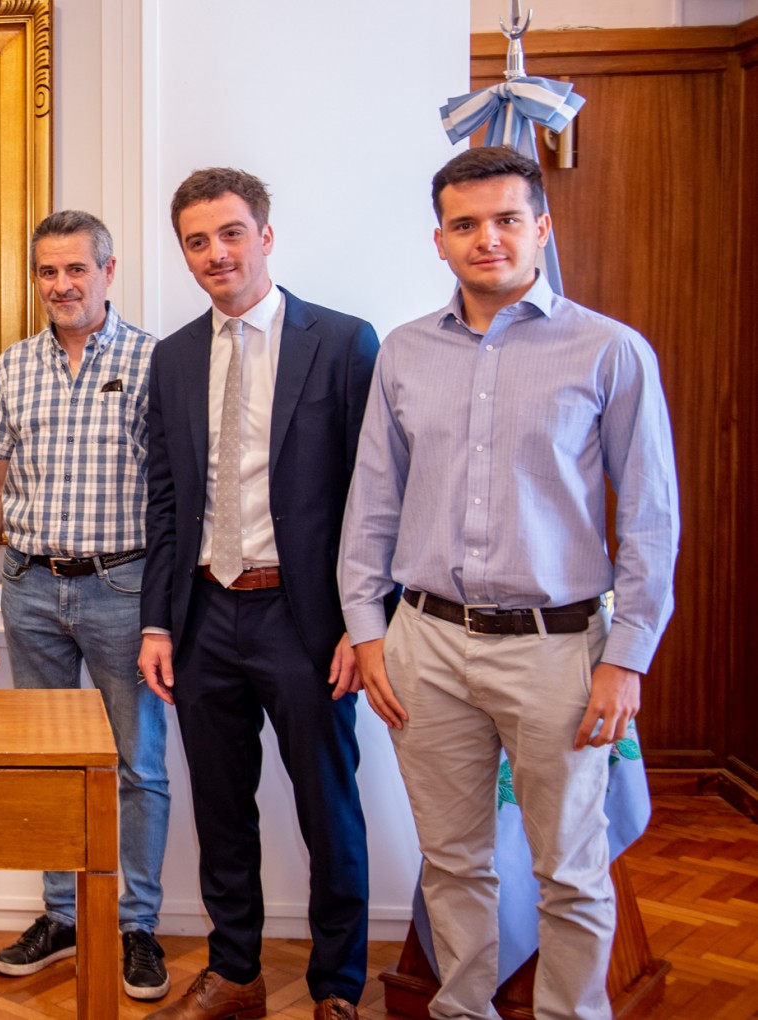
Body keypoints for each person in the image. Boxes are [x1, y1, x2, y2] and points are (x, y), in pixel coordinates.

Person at [340, 146, 679, 1020]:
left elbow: (649, 520)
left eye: (505, 220)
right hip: (426, 646)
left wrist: (628, 657)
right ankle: (463, 1009)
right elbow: (373, 500)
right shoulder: (407, 354)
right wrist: (369, 631)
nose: (486, 239)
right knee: (453, 861)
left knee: (570, 867)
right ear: (440, 240)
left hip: (560, 653)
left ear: (541, 227)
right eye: (465, 225)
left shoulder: (611, 351)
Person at [138, 168, 376, 1020]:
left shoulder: (344, 344)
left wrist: (363, 625)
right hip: (205, 617)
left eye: (231, 233)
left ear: (266, 236)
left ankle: (337, 986)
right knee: (221, 808)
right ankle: (235, 970)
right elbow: (166, 501)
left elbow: (368, 496)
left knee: (327, 807)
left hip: (305, 622)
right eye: (197, 241)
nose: (215, 254)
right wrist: (159, 622)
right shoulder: (171, 359)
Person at [0, 210, 173, 1002]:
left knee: (137, 766)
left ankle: (137, 925)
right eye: (48, 272)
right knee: (49, 766)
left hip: (124, 590)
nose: (61, 285)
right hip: (31, 589)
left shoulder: (156, 361)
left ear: (108, 272)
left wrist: (163, 611)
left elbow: (173, 492)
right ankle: (60, 915)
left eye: (76, 269)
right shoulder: (14, 367)